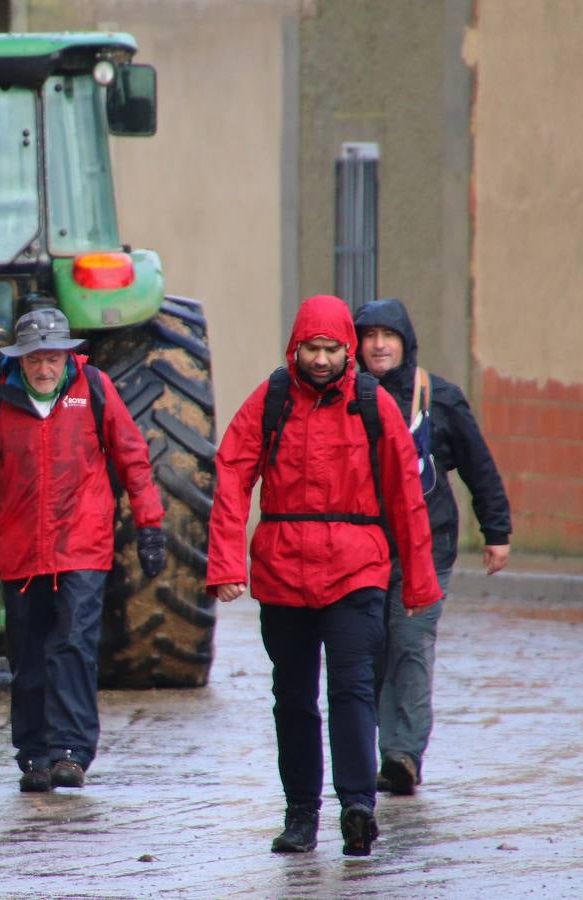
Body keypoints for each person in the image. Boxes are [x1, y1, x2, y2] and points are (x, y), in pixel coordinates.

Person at [206, 294, 441, 856]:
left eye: (330, 348)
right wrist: (224, 563)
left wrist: (419, 583)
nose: (319, 358)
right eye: (310, 348)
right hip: (283, 571)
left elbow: (406, 496)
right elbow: (232, 472)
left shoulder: (371, 403)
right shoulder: (272, 399)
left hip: (355, 568)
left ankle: (357, 805)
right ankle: (301, 815)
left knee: (353, 690)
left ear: (347, 349)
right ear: (295, 347)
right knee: (292, 697)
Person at [0, 307, 166, 793]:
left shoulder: (95, 389)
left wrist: (150, 525)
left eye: (54, 358)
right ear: (19, 360)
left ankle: (71, 752)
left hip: (81, 541)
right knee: (28, 650)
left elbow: (132, 457)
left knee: (73, 644)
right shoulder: (0, 394)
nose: (44, 368)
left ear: (68, 357)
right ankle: (34, 754)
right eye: (35, 359)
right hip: (20, 545)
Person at [353, 297, 511, 796]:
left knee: (410, 641)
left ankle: (403, 754)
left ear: (405, 342)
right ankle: (380, 749)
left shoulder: (438, 397)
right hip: (363, 547)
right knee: (370, 648)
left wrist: (497, 531)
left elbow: (477, 463)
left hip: (427, 543)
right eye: (369, 336)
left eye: (389, 336)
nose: (379, 345)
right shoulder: (344, 399)